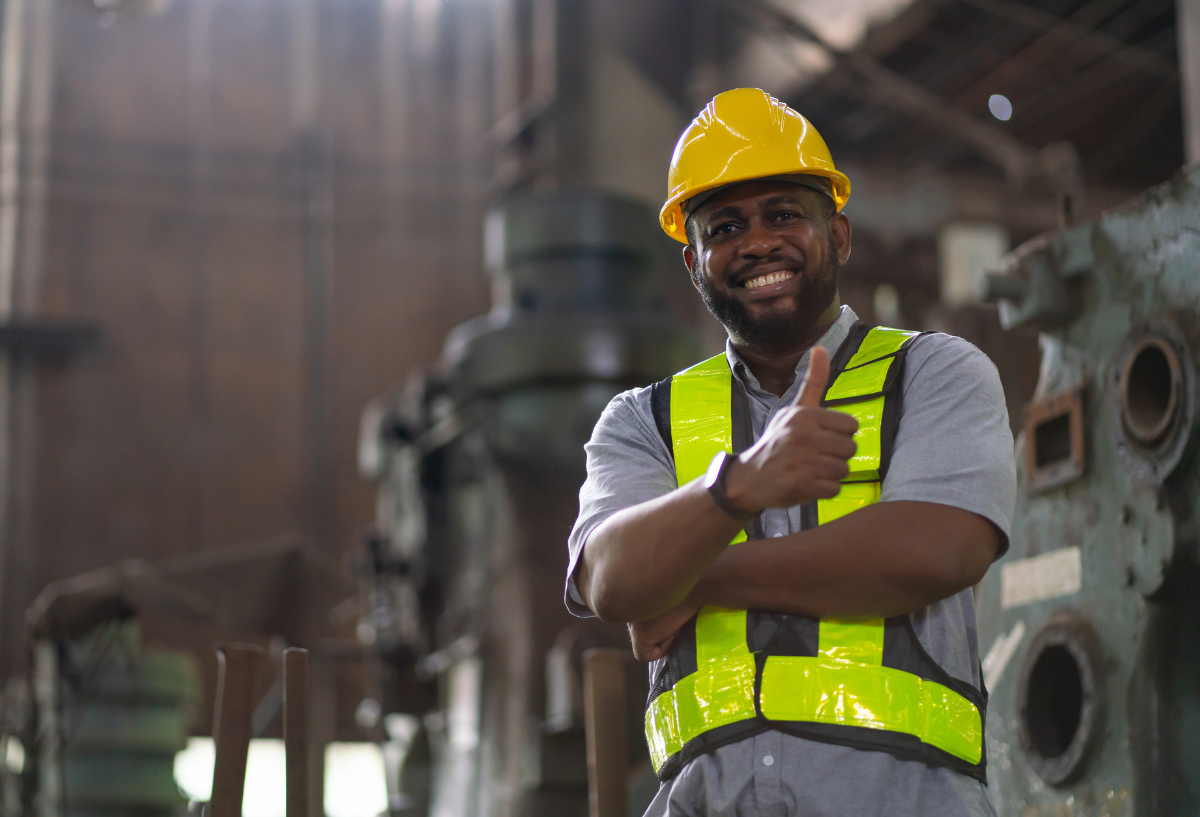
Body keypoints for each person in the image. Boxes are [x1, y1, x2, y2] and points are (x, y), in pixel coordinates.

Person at [564, 87, 1015, 817]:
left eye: (783, 214)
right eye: (726, 226)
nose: (758, 243)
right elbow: (613, 580)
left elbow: (935, 552)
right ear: (694, 261)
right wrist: (736, 488)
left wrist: (692, 577)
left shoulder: (935, 373)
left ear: (837, 235)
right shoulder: (642, 421)